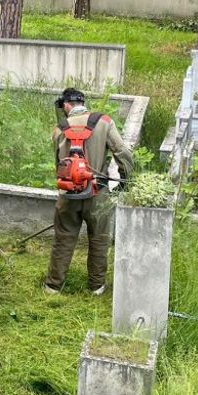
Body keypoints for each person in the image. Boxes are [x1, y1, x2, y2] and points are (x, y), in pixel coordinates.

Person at [47, 88, 134, 296]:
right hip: (98, 193)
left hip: (68, 196)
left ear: (67, 105)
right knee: (99, 239)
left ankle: (53, 286)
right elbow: (122, 152)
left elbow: (58, 164)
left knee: (64, 238)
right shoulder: (104, 122)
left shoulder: (59, 129)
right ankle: (96, 286)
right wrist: (125, 180)